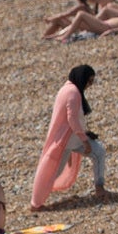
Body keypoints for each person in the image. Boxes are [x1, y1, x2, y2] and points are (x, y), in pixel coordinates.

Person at [32, 65, 103, 209]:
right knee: (98, 153)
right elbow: (72, 119)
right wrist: (84, 140)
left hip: (66, 140)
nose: (89, 85)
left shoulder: (67, 89)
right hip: (71, 139)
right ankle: (99, 188)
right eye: (88, 81)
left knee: (53, 171)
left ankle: (36, 202)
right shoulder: (73, 92)